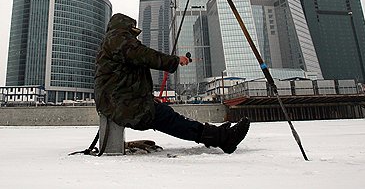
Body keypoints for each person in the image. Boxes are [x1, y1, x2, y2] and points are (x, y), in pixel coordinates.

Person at [94, 13, 250, 154]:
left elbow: (126, 79)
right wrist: (175, 60)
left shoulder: (112, 41)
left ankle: (217, 134)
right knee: (167, 118)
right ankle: (221, 138)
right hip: (119, 104)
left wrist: (147, 98)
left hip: (117, 102)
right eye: (132, 32)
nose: (134, 39)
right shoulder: (117, 37)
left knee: (165, 115)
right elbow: (145, 55)